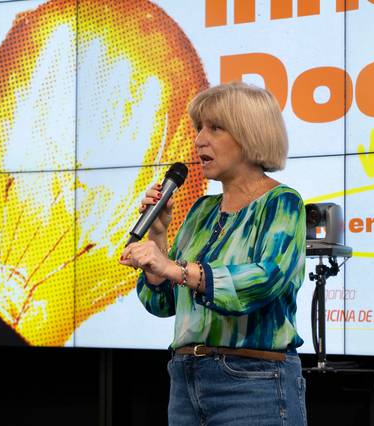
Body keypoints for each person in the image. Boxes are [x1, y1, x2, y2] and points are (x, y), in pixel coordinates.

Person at [120, 82, 307, 425]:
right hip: (185, 377)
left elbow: (264, 281)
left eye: (215, 128)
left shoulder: (282, 203)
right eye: (198, 128)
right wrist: (158, 235)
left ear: (250, 135)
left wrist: (175, 268)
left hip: (254, 381)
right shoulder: (202, 211)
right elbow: (162, 304)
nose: (199, 139)